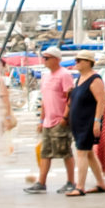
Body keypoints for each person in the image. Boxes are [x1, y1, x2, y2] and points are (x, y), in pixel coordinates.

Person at [27, 53, 77, 192]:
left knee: (65, 151)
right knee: (45, 153)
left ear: (56, 59)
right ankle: (41, 183)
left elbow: (70, 98)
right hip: (48, 121)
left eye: (47, 58)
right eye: (44, 58)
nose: (44, 60)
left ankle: (71, 182)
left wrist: (65, 118)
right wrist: (41, 120)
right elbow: (44, 99)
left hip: (60, 120)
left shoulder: (65, 75)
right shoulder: (45, 76)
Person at [64, 57, 105, 195]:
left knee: (82, 152)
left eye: (79, 61)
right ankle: (101, 183)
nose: (76, 63)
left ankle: (80, 186)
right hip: (78, 121)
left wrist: (97, 121)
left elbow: (101, 101)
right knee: (89, 153)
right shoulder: (80, 79)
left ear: (88, 62)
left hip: (88, 121)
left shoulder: (95, 79)